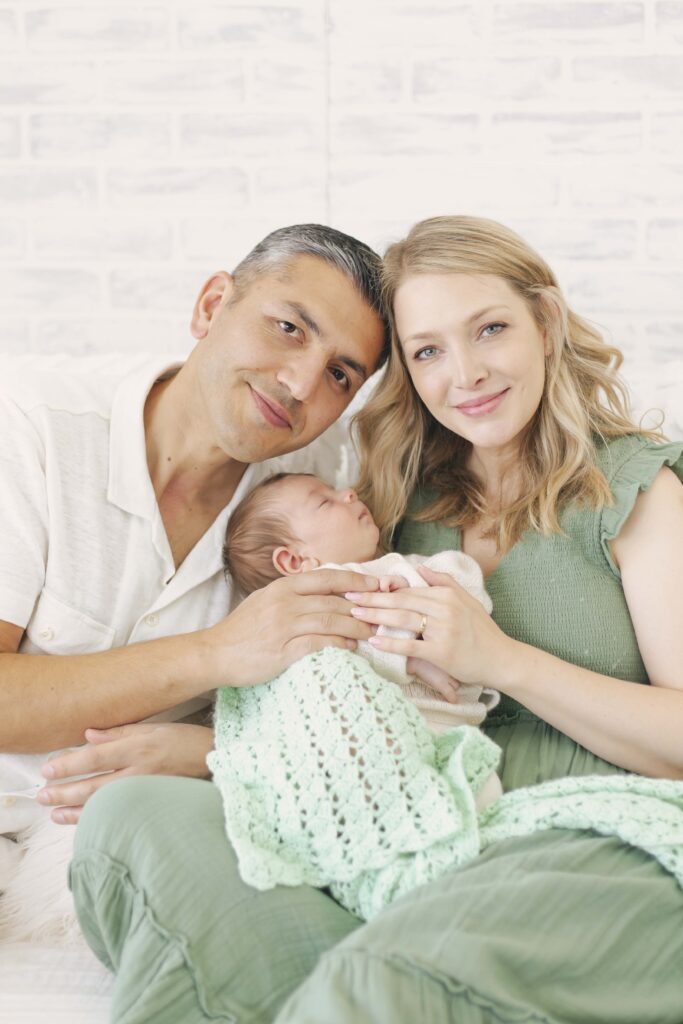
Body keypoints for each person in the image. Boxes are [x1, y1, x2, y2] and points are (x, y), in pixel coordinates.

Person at [71, 215, 683, 1024]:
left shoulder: (632, 492)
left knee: (382, 978)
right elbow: (366, 702)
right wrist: (213, 750)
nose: (464, 374)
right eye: (427, 350)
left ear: (546, 321)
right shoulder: (396, 505)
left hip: (594, 836)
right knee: (133, 814)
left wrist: (501, 660)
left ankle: (366, 985)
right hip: (426, 834)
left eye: (489, 329)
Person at [0, 223, 389, 837]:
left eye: (341, 374)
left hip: (146, 845)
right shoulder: (31, 426)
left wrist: (207, 754)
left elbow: (343, 692)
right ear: (212, 306)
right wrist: (219, 652)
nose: (299, 384)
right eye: (288, 328)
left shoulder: (319, 486)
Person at [210, 471, 502, 920]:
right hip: (359, 738)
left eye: (338, 491)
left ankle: (466, 879)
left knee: (477, 806)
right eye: (325, 502)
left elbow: (469, 593)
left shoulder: (405, 571)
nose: (348, 493)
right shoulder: (303, 612)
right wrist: (400, 647)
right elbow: (308, 669)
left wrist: (412, 606)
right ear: (295, 561)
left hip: (444, 732)